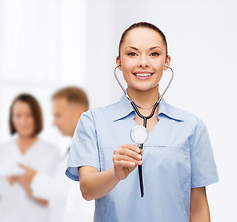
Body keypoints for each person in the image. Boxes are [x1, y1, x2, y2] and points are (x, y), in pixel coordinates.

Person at [66, 22, 219, 221]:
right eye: (132, 54)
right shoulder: (92, 122)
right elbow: (87, 190)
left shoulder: (192, 126)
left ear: (166, 61)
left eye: (154, 54)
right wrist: (115, 174)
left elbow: (198, 206)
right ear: (119, 62)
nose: (143, 62)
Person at [13, 87, 94, 222]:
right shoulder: (70, 149)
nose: (54, 122)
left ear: (79, 114)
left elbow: (79, 197)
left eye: (58, 115)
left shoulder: (92, 149)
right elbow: (57, 195)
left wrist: (34, 178)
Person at [0, 94, 60, 222]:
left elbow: (46, 199)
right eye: (18, 116)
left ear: (36, 117)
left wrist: (19, 178)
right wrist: (7, 183)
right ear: (12, 118)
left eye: (29, 115)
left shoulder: (51, 152)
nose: (23, 121)